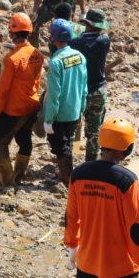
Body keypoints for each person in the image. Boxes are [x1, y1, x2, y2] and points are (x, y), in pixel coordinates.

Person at [64, 118, 139, 278]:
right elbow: (137, 228)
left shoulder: (79, 173)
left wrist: (72, 246)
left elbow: (71, 217)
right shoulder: (126, 180)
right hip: (122, 270)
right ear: (128, 149)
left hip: (87, 266)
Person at [0, 12, 44, 190]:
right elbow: (37, 81)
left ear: (12, 33)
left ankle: (8, 181)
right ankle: (19, 175)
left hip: (13, 110)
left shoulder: (11, 59)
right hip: (31, 107)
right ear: (29, 32)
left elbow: (2, 90)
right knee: (24, 140)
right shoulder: (37, 54)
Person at [44, 19, 88, 184]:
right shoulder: (80, 57)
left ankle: (67, 179)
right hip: (75, 111)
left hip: (60, 114)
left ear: (53, 38)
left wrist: (49, 119)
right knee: (67, 142)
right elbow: (84, 86)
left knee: (61, 148)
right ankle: (65, 174)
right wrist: (81, 108)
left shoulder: (56, 62)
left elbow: (54, 94)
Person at [71, 8, 112, 161]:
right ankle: (90, 163)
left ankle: (68, 160)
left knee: (71, 126)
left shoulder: (74, 42)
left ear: (86, 23)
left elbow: (75, 33)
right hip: (98, 91)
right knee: (94, 132)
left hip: (78, 91)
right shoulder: (105, 41)